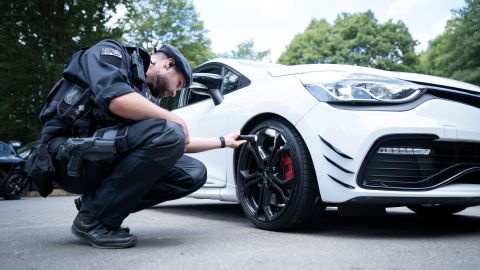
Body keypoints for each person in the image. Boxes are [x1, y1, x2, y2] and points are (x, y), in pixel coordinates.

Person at [29, 39, 246, 249]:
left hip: (100, 157)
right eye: (178, 84)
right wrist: (176, 120)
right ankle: (94, 220)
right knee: (170, 131)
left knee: (193, 173)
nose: (173, 93)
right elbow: (116, 99)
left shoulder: (146, 95)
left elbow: (177, 142)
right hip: (66, 159)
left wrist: (223, 142)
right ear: (168, 64)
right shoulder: (111, 54)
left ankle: (96, 205)